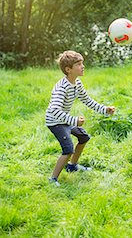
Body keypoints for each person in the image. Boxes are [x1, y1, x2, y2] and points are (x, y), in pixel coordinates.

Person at [46, 50, 115, 186]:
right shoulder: (62, 88)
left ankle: (72, 166)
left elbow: (87, 100)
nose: (82, 66)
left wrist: (105, 109)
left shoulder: (77, 83)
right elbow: (54, 110)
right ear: (68, 69)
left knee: (84, 137)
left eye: (82, 63)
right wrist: (74, 121)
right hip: (55, 122)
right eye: (78, 64)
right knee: (68, 149)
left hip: (64, 120)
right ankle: (53, 179)